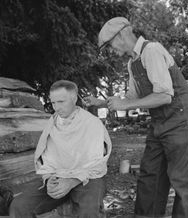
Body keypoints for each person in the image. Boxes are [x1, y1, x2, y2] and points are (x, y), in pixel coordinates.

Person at [84, 17, 188, 218]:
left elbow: (164, 95)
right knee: (150, 177)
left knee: (183, 182)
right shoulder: (132, 63)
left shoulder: (152, 50)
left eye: (109, 46)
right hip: (160, 123)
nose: (110, 52)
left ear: (120, 35)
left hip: (181, 120)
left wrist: (126, 104)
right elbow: (131, 98)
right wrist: (101, 102)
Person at [9, 80, 111, 218]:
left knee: (88, 211)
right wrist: (48, 179)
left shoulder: (92, 123)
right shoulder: (52, 124)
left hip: (88, 177)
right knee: (19, 206)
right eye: (53, 103)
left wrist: (72, 181)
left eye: (61, 102)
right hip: (58, 177)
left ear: (74, 99)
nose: (56, 108)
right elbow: (45, 158)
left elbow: (97, 163)